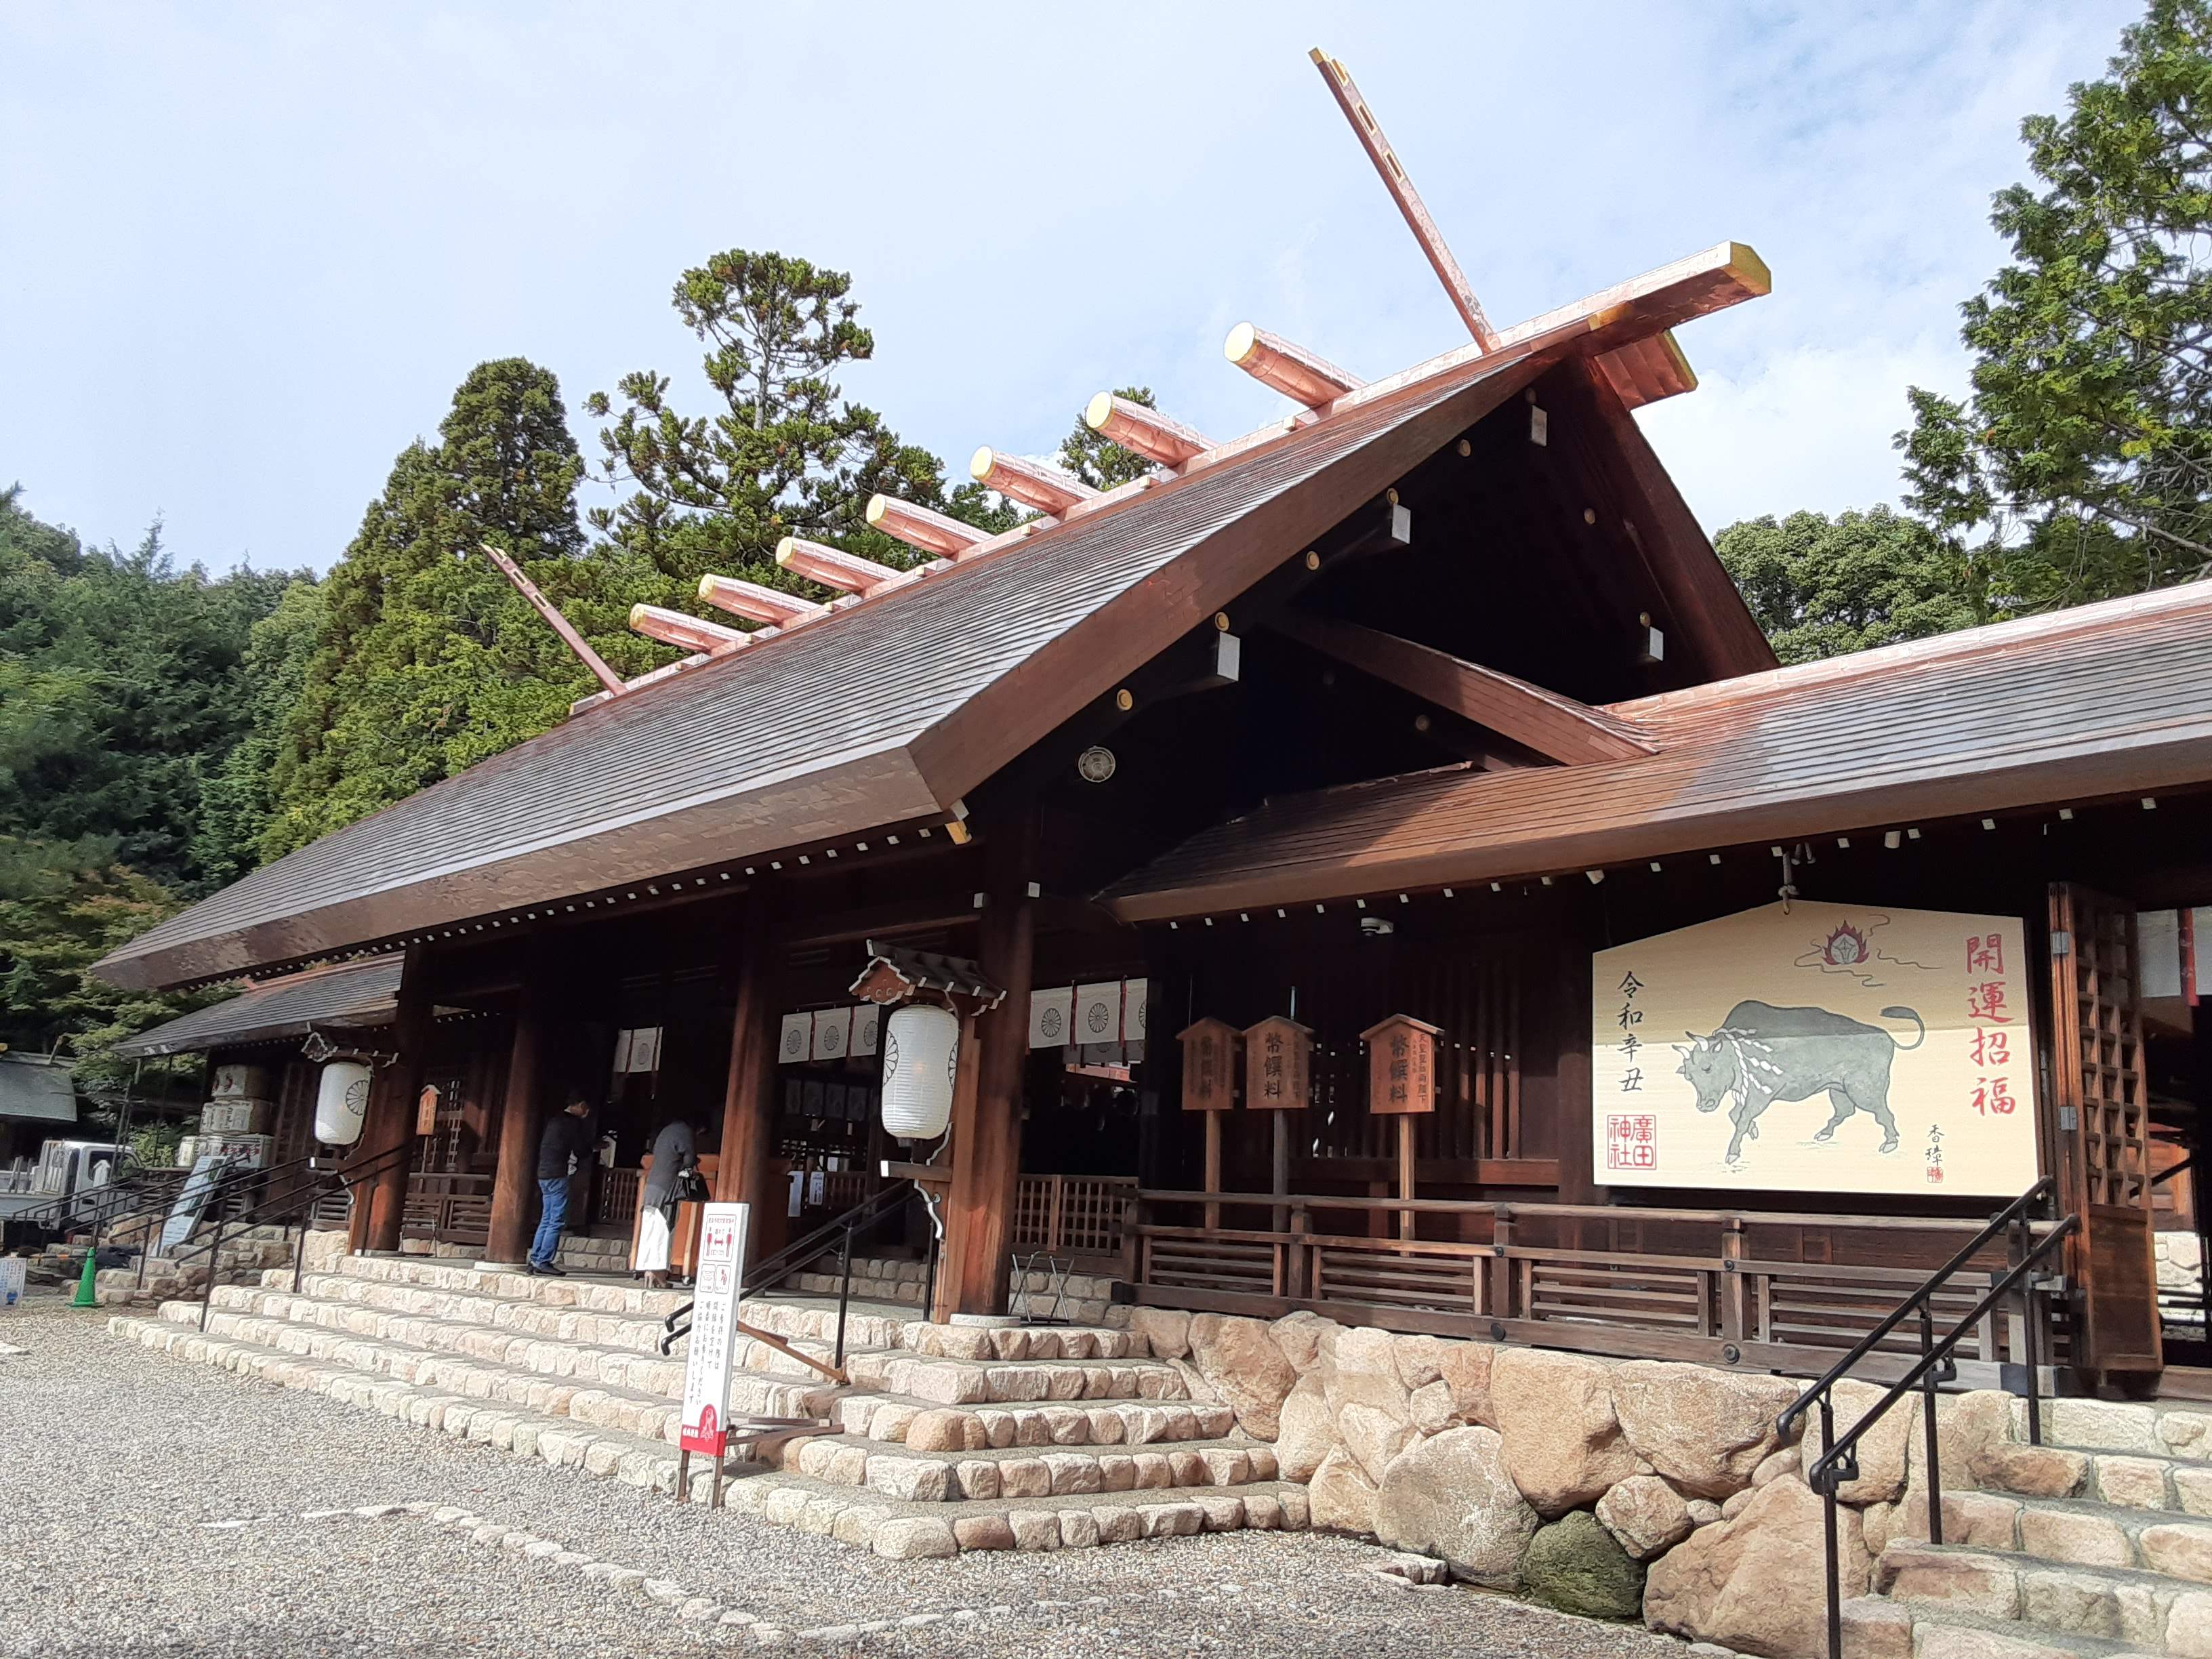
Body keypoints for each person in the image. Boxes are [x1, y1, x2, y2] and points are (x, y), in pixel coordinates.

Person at [527, 1092, 594, 1276]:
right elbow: (580, 1149)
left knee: (546, 1218)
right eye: (586, 1108)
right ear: (580, 1105)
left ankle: (535, 1258)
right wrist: (593, 1148)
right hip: (558, 1173)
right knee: (556, 1220)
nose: (587, 1112)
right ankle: (544, 1260)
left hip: (544, 1173)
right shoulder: (571, 1123)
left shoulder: (554, 1120)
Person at [634, 1115, 703, 1289]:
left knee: (650, 1230)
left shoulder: (666, 1131)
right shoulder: (685, 1132)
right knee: (664, 1230)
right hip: (668, 1189)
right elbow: (689, 1160)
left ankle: (648, 1270)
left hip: (652, 1187)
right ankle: (657, 1273)